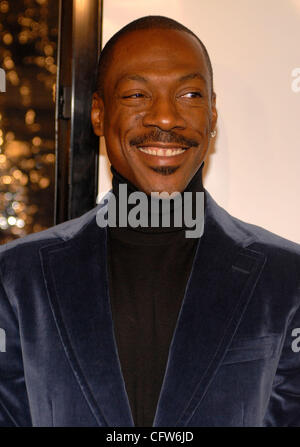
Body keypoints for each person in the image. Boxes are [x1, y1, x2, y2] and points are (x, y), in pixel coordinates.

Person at [0, 15, 300, 428]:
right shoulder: (17, 278)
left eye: (190, 94)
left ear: (212, 115)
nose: (164, 118)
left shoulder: (287, 278)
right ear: (99, 115)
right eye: (137, 94)